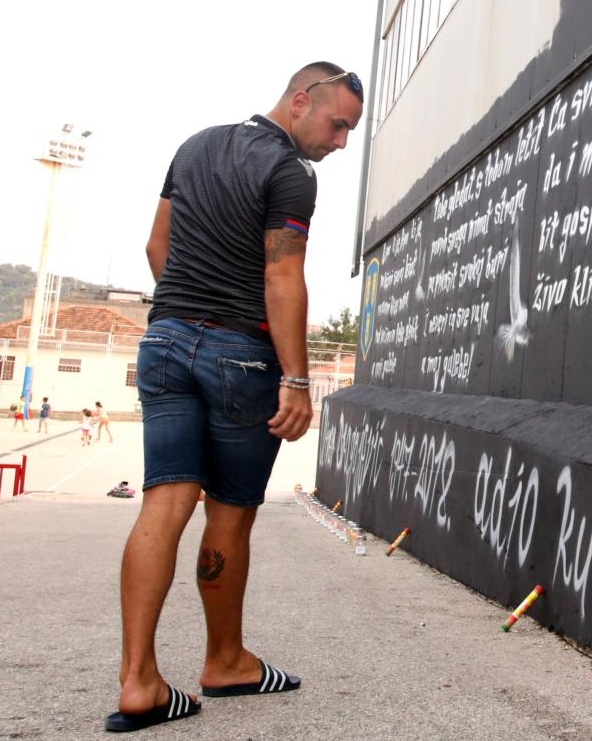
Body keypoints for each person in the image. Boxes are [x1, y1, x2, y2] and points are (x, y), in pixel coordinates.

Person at [109, 62, 362, 733]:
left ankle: (138, 682)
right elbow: (283, 276)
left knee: (163, 504)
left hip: (163, 343)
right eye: (338, 125)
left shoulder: (194, 146)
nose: (340, 144)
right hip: (238, 356)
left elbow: (156, 245)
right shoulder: (290, 174)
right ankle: (225, 663)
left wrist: (185, 317)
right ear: (301, 99)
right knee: (227, 514)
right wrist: (298, 380)